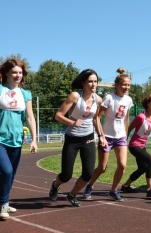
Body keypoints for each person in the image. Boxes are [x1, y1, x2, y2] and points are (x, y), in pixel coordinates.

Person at [49, 69, 104, 207]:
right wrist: (73, 122)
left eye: (95, 82)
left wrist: (101, 136)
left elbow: (96, 119)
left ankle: (72, 195)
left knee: (88, 173)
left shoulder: (98, 99)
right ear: (83, 83)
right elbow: (58, 115)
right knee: (66, 175)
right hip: (72, 138)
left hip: (88, 138)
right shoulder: (75, 96)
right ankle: (55, 185)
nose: (93, 84)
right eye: (90, 81)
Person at [83, 68, 133, 202]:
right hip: (107, 137)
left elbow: (126, 119)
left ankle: (113, 190)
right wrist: (101, 136)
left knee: (122, 165)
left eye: (128, 85)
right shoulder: (109, 98)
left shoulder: (128, 100)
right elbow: (97, 117)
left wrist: (126, 134)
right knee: (102, 168)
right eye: (124, 84)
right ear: (117, 85)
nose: (126, 87)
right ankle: (90, 185)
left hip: (121, 136)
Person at [0, 58, 37, 220]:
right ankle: (3, 204)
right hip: (0, 139)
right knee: (6, 171)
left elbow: (30, 117)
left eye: (20, 73)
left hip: (17, 140)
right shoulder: (0, 90)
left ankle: (5, 202)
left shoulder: (25, 94)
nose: (17, 75)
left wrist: (34, 139)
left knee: (11, 174)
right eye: (14, 72)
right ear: (6, 73)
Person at [121, 94, 151, 197]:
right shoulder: (141, 117)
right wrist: (123, 140)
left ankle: (125, 186)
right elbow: (129, 128)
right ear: (148, 104)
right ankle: (150, 189)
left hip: (142, 146)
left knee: (142, 168)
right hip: (134, 145)